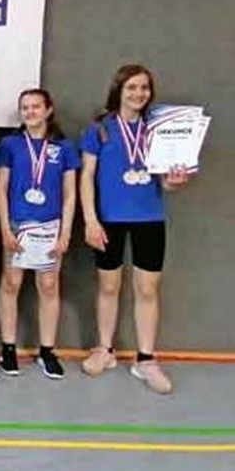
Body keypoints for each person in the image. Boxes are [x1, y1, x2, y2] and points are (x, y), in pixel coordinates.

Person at [79, 64, 190, 394]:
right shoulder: (100, 129)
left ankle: (146, 359)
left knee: (147, 289)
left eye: (144, 88)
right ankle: (105, 349)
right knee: (108, 286)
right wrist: (90, 219)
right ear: (119, 90)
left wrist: (174, 181)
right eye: (132, 87)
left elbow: (165, 182)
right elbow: (86, 177)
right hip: (109, 218)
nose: (138, 93)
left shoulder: (158, 129)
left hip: (149, 218)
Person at [0, 88, 79, 380]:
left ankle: (47, 350)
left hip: (50, 227)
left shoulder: (64, 148)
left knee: (49, 285)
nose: (30, 112)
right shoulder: (10, 145)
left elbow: (70, 194)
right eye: (25, 108)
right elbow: (1, 189)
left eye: (35, 107)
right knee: (11, 283)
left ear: (48, 110)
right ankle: (8, 348)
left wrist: (65, 233)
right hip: (18, 225)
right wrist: (5, 229)